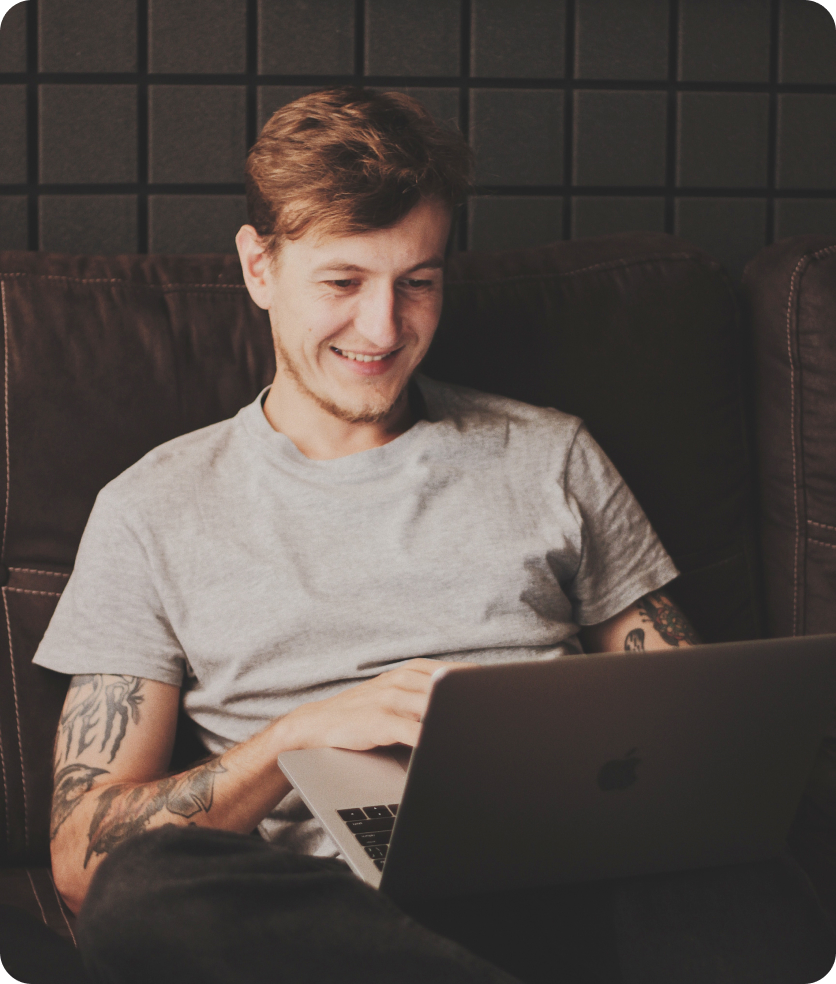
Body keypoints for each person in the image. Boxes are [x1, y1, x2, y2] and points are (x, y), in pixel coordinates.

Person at [32, 88, 833, 984]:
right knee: (144, 894)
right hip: (330, 911)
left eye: (418, 282)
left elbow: (688, 723)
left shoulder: (549, 453)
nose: (383, 330)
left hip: (568, 868)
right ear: (259, 267)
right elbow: (81, 861)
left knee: (758, 880)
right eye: (342, 282)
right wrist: (301, 736)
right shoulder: (153, 506)